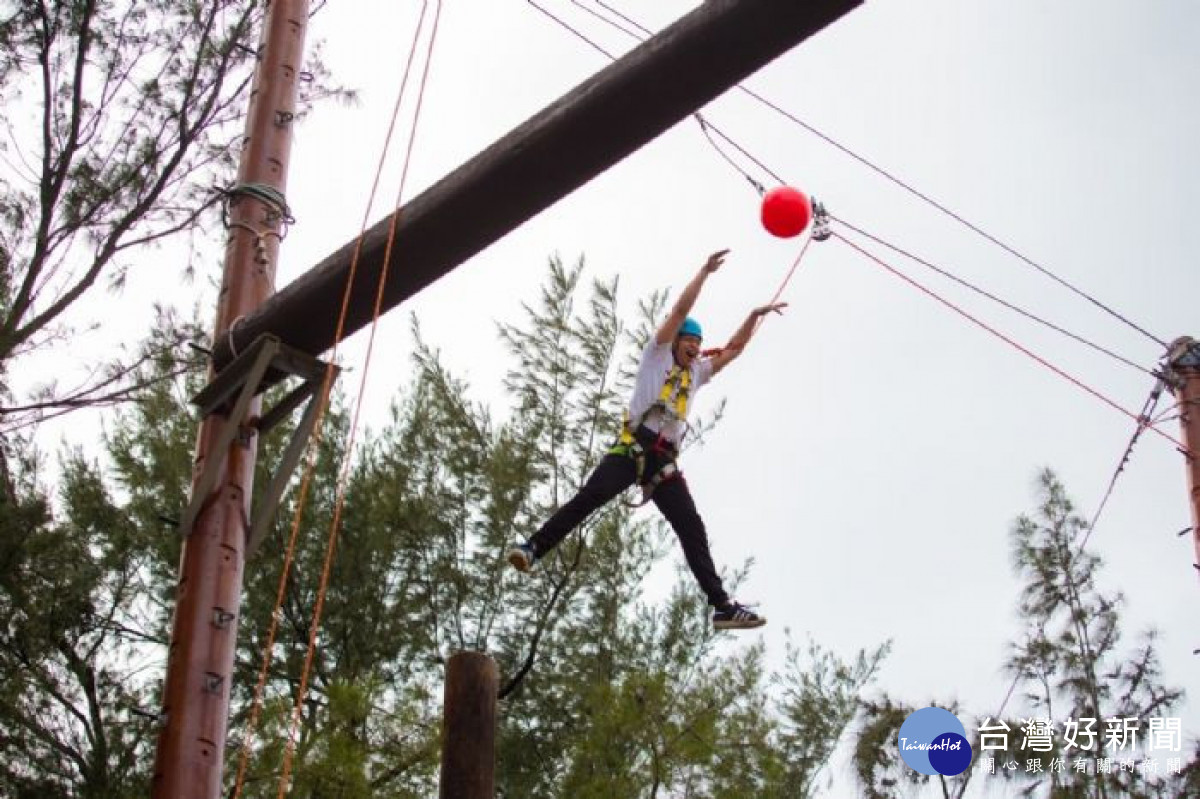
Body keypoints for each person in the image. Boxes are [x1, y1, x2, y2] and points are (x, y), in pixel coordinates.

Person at [507, 249, 786, 630]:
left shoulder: (697, 373)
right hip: (633, 449)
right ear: (676, 342)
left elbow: (734, 350)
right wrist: (704, 273)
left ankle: (721, 605)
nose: (696, 347)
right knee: (591, 497)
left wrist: (753, 317)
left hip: (664, 462)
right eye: (690, 341)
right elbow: (677, 312)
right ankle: (533, 548)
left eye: (699, 343)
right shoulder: (656, 357)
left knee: (692, 526)